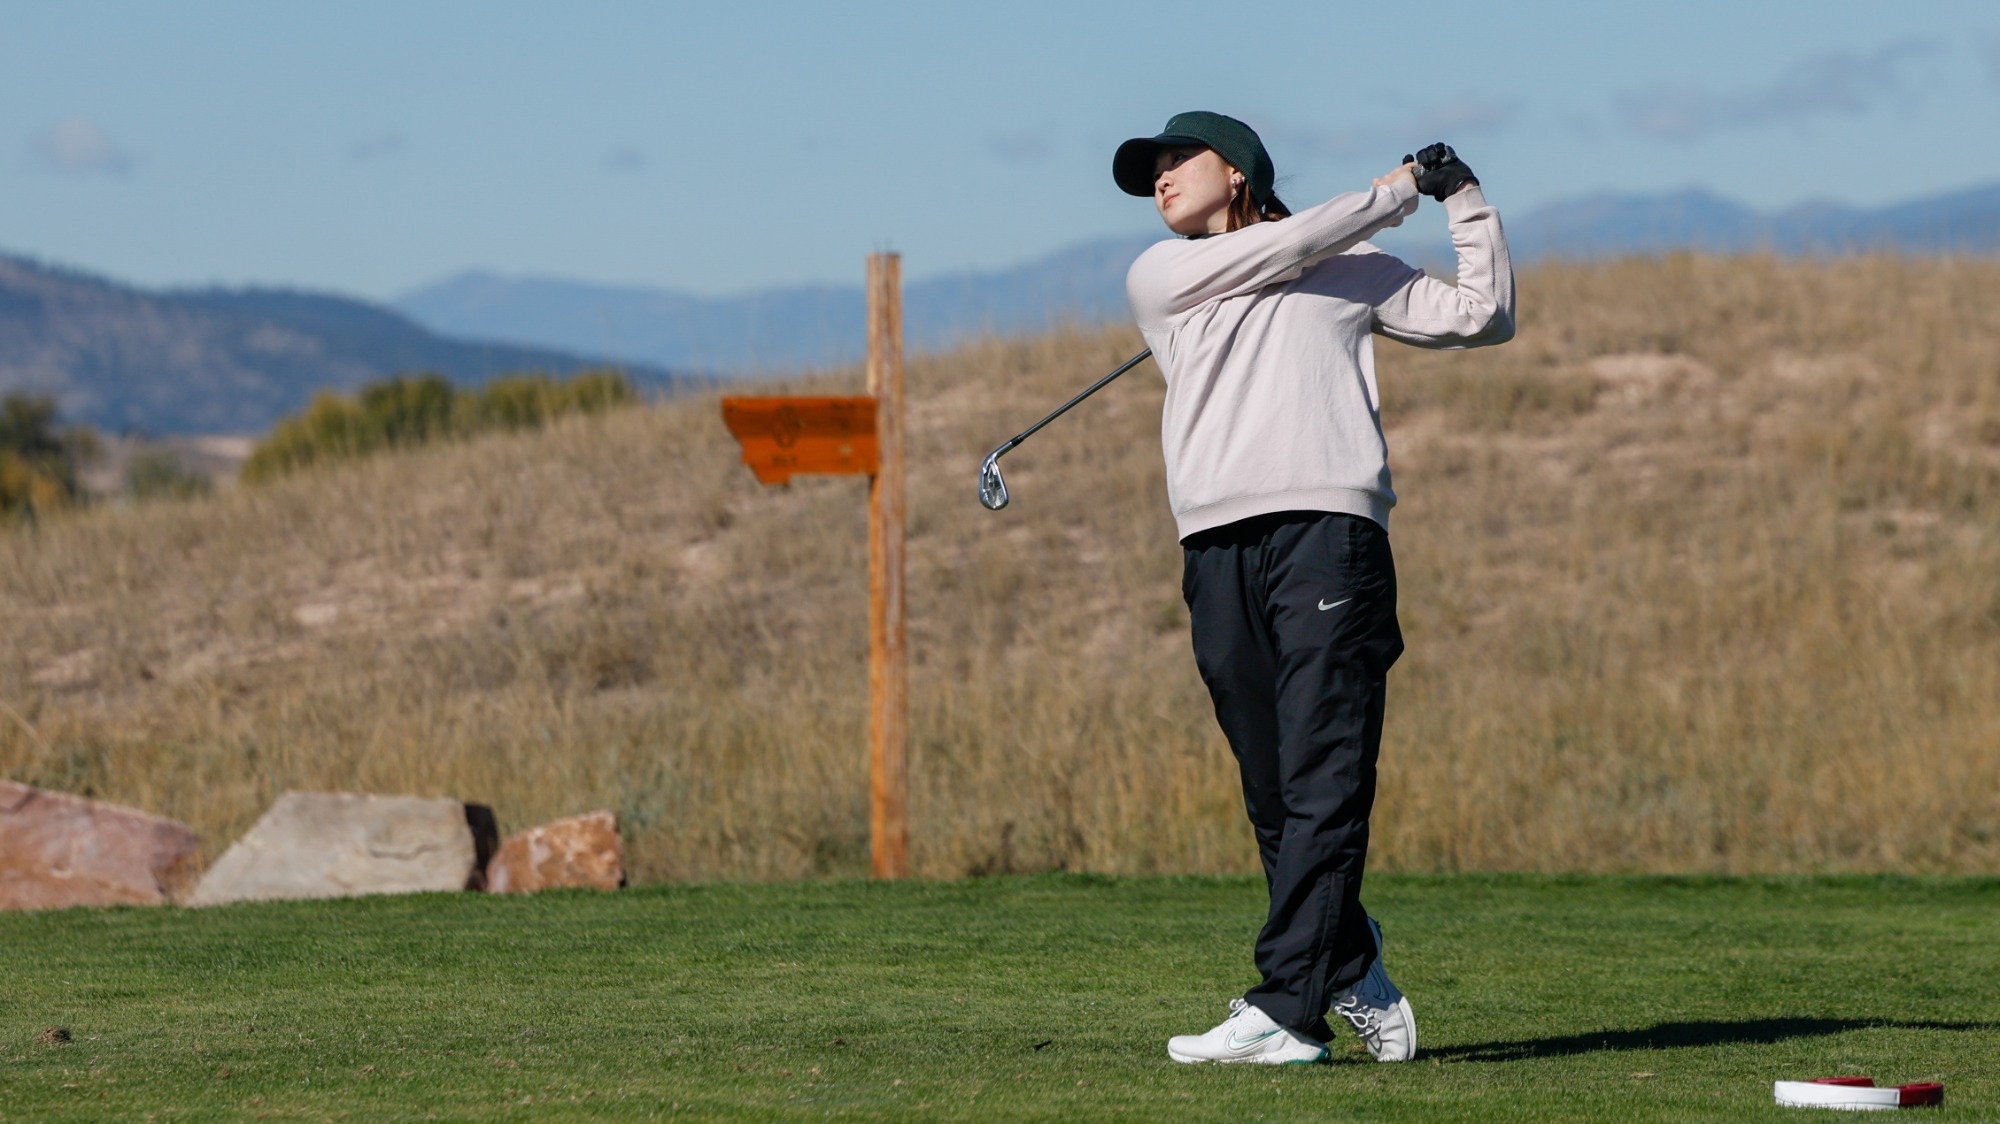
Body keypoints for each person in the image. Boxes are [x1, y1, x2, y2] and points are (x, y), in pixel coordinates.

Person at [1113, 112, 1514, 1065]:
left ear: (1238, 171)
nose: (1160, 180)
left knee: (1324, 773)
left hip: (1329, 539)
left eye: (1179, 161)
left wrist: (1460, 198)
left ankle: (1286, 1010)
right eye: (1153, 169)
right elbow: (1290, 241)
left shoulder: (1350, 268)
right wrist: (1394, 189)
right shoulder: (1161, 274)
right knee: (1274, 787)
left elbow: (1481, 316)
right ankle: (1349, 961)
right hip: (1214, 547)